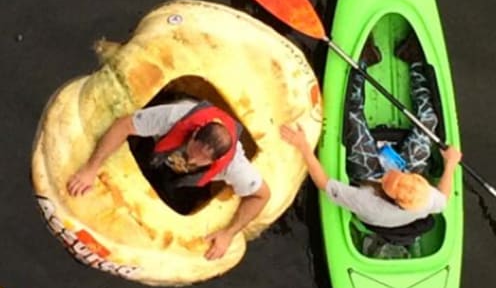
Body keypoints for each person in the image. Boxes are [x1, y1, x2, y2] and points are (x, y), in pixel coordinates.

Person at [281, 33, 462, 232]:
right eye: (400, 176)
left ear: (393, 199)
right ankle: (414, 62)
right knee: (429, 121)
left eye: (390, 181)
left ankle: (363, 65)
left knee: (353, 119)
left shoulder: (366, 201)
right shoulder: (425, 196)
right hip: (398, 180)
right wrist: (450, 163)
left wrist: (304, 147)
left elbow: (324, 183)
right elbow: (443, 199)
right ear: (416, 179)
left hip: (369, 177)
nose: (392, 173)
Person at [66, 99, 271, 260]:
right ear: (195, 132)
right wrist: (90, 168)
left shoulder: (234, 165)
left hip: (185, 182)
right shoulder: (174, 117)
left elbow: (261, 195)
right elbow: (124, 125)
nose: (192, 159)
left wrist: (229, 233)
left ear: (217, 160)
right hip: (158, 148)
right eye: (194, 149)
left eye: (203, 159)